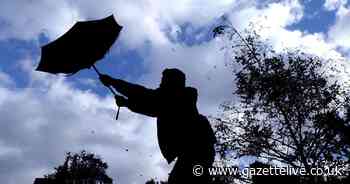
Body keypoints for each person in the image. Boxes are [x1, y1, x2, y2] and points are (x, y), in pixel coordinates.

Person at [99, 68, 216, 184]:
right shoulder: (177, 98)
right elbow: (153, 106)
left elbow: (148, 97)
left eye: (164, 80)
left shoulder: (181, 96)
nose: (160, 83)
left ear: (172, 82)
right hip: (197, 151)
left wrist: (114, 83)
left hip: (196, 152)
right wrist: (127, 103)